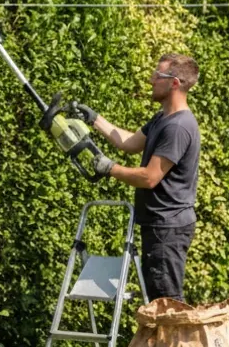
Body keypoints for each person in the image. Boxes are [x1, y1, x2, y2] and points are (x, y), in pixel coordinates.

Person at [76, 54, 201, 303]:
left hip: (169, 226)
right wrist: (94, 119)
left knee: (166, 302)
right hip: (159, 224)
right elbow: (130, 143)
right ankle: (165, 342)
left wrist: (109, 168)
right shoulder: (162, 118)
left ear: (175, 83)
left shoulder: (177, 127)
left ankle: (178, 343)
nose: (151, 79)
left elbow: (149, 177)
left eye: (158, 75)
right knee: (158, 298)